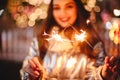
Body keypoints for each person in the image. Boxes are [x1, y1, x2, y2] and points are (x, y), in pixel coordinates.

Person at [20, 0, 120, 80]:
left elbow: (97, 75)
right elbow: (23, 76)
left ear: (77, 8)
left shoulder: (92, 44)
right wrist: (29, 75)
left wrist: (103, 75)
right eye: (57, 8)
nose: (62, 13)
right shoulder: (40, 42)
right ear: (52, 11)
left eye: (69, 6)